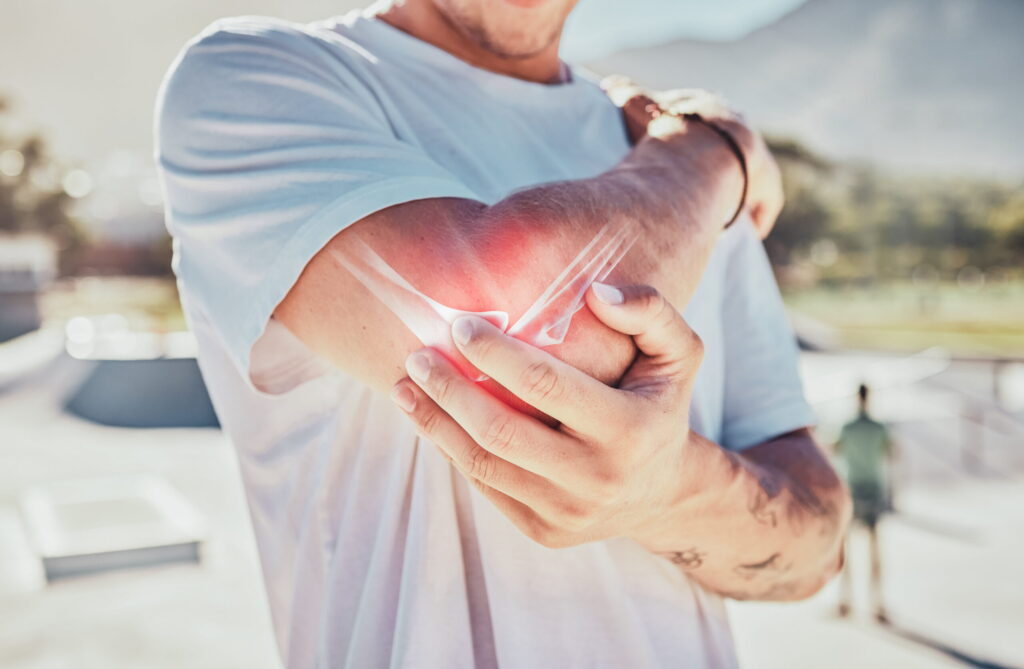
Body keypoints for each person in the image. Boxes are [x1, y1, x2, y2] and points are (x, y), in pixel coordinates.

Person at [155, 0, 852, 666]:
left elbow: (817, 542)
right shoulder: (257, 79)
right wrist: (710, 153)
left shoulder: (672, 166)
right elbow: (540, 347)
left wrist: (668, 488)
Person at [835, 383, 895, 623]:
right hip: (873, 490)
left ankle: (845, 600)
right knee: (874, 551)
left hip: (853, 491)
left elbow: (834, 449)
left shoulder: (847, 428)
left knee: (846, 550)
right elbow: (891, 453)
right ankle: (877, 603)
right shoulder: (879, 428)